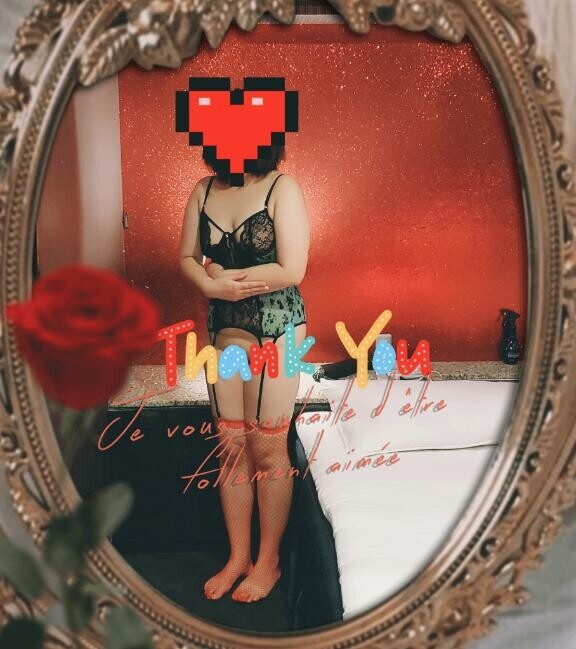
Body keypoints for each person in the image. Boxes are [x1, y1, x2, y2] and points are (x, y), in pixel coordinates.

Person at [178, 145, 310, 603]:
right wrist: (210, 282)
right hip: (225, 328)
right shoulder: (202, 190)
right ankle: (238, 557)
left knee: (268, 446)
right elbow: (187, 257)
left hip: (279, 330)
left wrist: (225, 278)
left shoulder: (282, 188)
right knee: (230, 445)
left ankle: (267, 560)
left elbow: (293, 269)